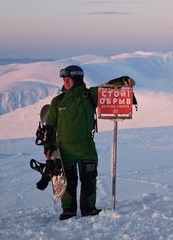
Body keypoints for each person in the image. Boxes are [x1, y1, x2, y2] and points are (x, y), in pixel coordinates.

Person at [37, 65, 135, 220]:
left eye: (68, 79)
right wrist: (48, 146)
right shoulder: (58, 101)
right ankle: (68, 210)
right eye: (64, 79)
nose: (66, 82)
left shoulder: (89, 95)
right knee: (68, 181)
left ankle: (88, 209)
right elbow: (49, 125)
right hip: (65, 149)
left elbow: (107, 88)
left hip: (86, 147)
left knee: (89, 178)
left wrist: (124, 81)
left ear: (77, 79)